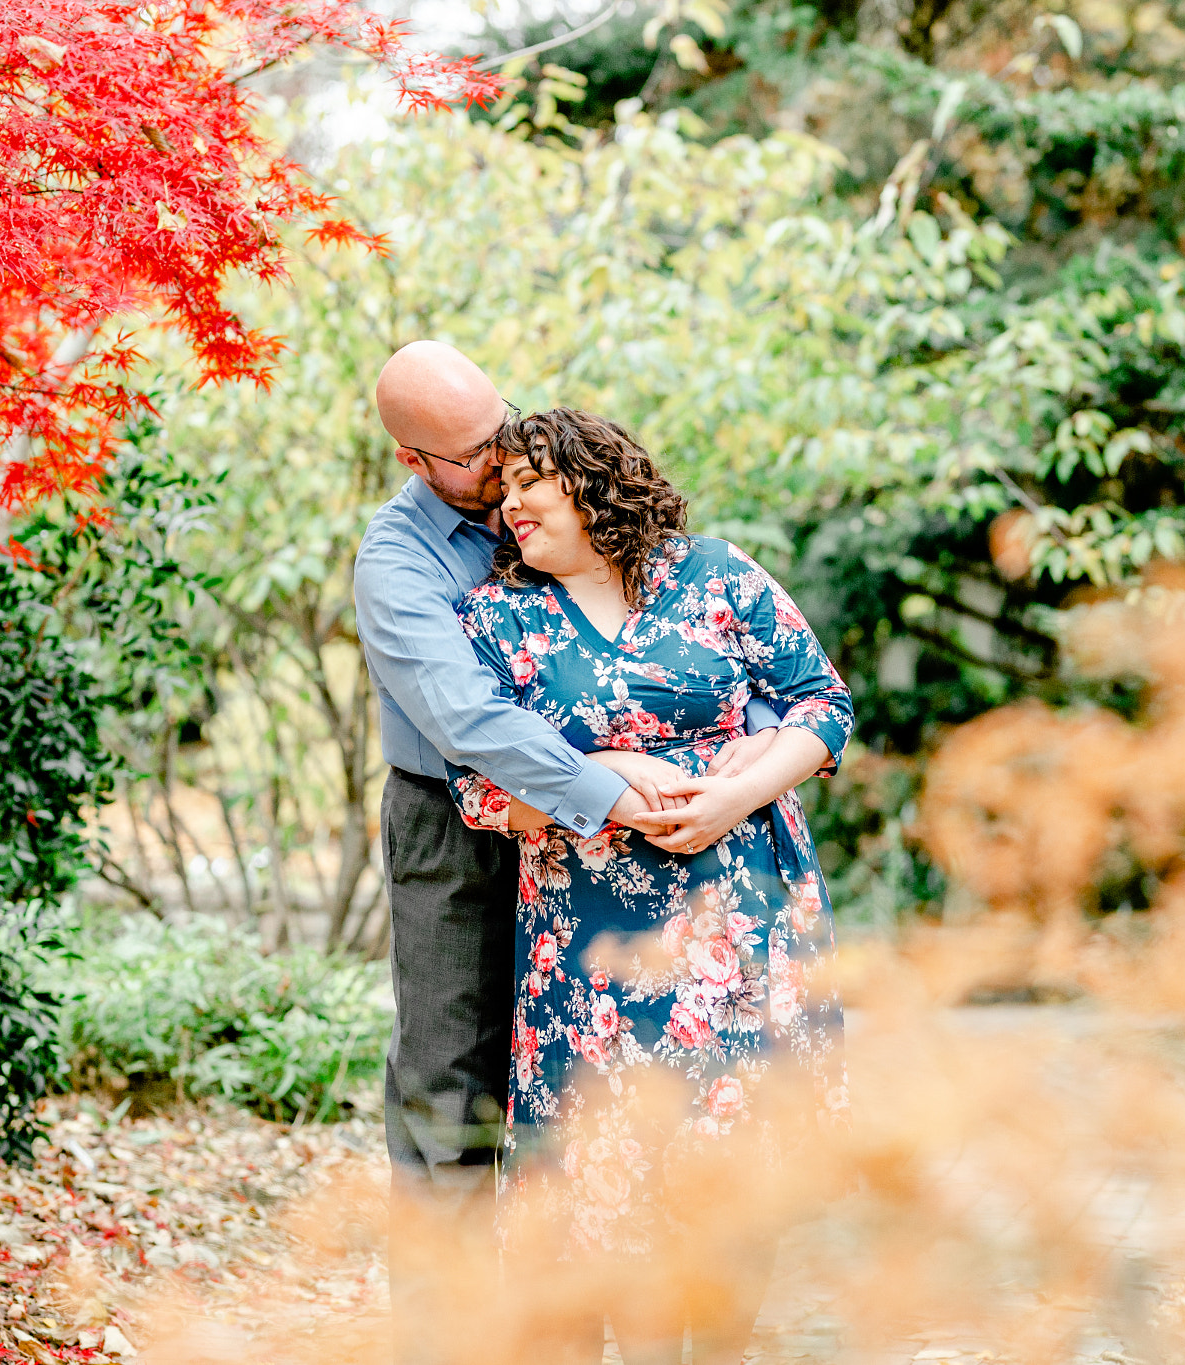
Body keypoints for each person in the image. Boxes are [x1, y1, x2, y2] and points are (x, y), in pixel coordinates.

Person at [353, 342, 783, 1365]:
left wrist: (731, 769)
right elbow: (467, 717)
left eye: (502, 428)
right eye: (473, 453)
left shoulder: (553, 490)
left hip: (620, 843)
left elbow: (692, 636)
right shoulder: (398, 561)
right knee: (453, 1083)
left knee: (609, 1071)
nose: (502, 463)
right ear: (417, 462)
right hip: (460, 829)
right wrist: (612, 793)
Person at [447, 408, 853, 1365]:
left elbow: (823, 704)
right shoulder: (496, 618)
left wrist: (733, 796)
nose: (508, 508)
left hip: (738, 914)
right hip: (588, 947)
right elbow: (476, 786)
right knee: (608, 1181)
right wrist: (614, 787)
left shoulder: (714, 574)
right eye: (498, 490)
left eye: (526, 483)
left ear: (589, 481)